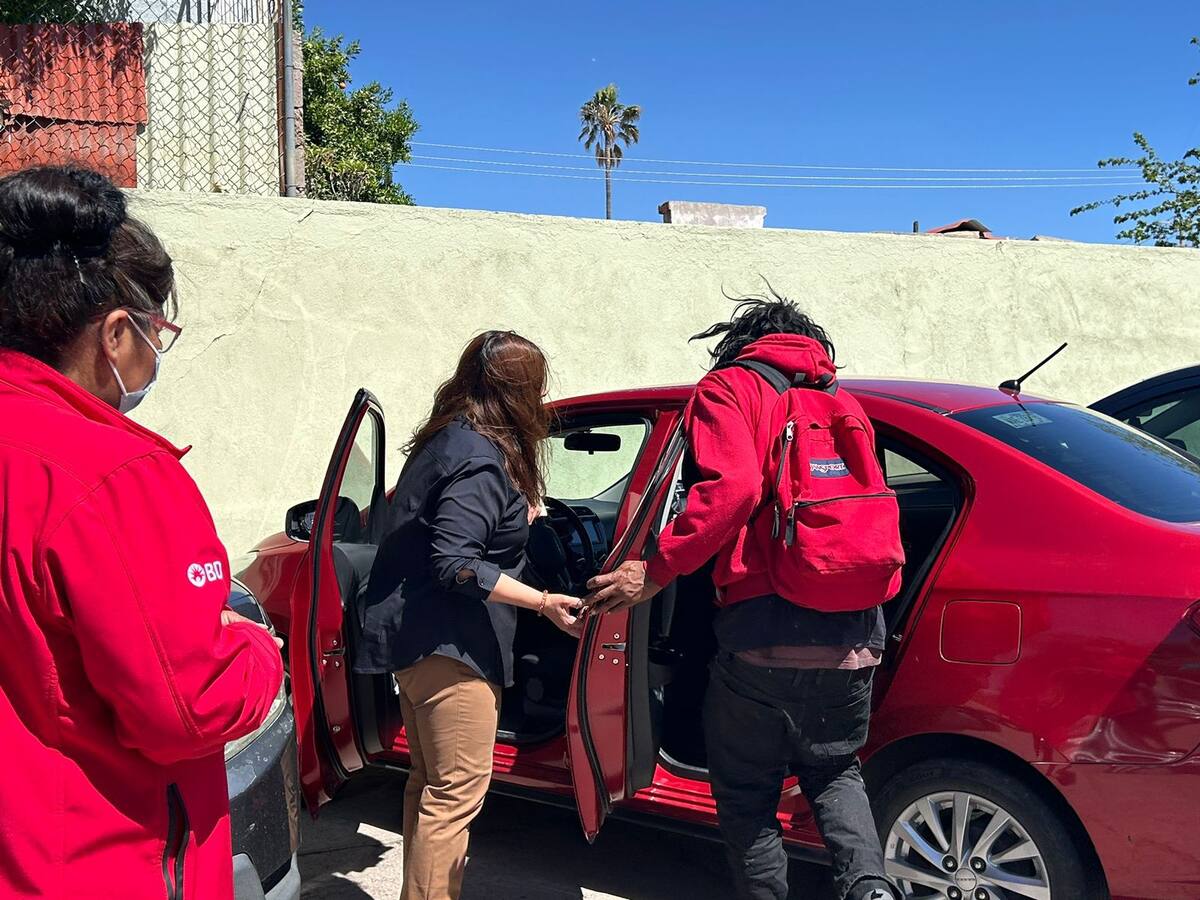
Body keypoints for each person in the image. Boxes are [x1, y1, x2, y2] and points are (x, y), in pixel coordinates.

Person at [0, 166, 284, 899]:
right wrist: (257, 646)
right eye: (158, 334)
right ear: (117, 332)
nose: (156, 355)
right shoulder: (113, 476)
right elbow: (191, 705)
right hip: (99, 861)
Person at [586, 290, 899, 900]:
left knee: (747, 796)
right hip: (857, 632)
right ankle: (873, 891)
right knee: (835, 772)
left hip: (765, 633)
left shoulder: (730, 389)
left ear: (743, 339)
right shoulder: (843, 401)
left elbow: (730, 495)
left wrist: (655, 569)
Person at [354, 330, 582, 900]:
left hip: (419, 642)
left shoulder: (450, 441)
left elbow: (448, 530)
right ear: (522, 393)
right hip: (450, 648)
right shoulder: (482, 461)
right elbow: (455, 562)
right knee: (454, 796)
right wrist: (544, 602)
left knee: (430, 785)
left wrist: (517, 514)